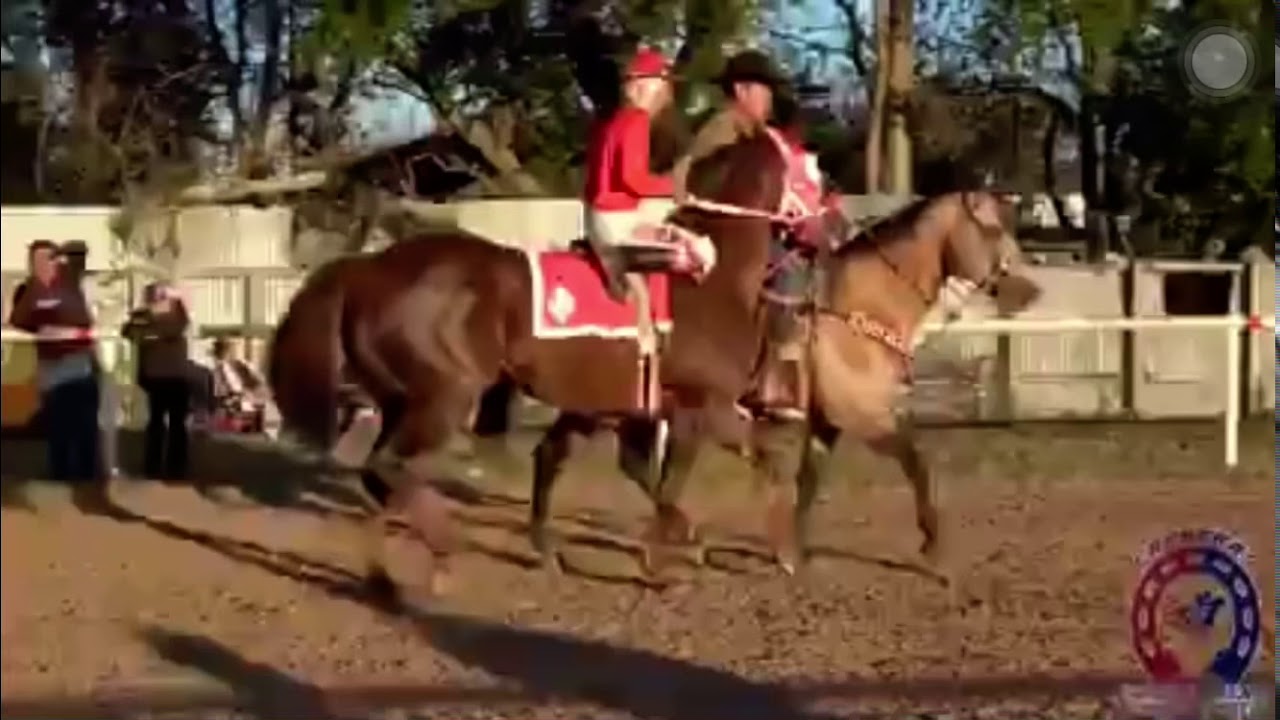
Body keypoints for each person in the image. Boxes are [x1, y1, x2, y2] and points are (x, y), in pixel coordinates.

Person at [581, 46, 676, 353]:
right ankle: (646, 342)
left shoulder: (609, 122)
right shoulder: (637, 121)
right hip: (619, 220)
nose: (663, 93)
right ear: (647, 85)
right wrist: (671, 188)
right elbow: (632, 179)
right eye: (661, 84)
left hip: (597, 219)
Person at [7, 239, 102, 482]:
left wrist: (63, 329)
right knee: (58, 420)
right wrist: (41, 329)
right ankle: (60, 473)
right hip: (50, 363)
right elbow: (18, 319)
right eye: (36, 259)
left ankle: (87, 474)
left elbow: (84, 320)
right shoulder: (30, 289)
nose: (41, 264)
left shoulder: (69, 282)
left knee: (83, 420)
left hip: (77, 359)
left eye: (47, 258)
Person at [671, 49, 785, 204]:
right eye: (765, 92)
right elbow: (687, 176)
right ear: (741, 90)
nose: (769, 101)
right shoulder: (723, 129)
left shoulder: (752, 131)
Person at [123, 281, 191, 480]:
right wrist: (148, 327)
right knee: (155, 423)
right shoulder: (143, 316)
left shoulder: (177, 316)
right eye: (156, 295)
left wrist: (150, 332)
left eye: (163, 296)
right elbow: (129, 332)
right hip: (153, 376)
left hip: (176, 376)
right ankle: (152, 466)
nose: (159, 300)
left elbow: (174, 329)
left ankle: (176, 467)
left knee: (177, 423)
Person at [209, 337, 269, 433]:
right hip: (228, 415)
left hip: (242, 413)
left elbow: (261, 390)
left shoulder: (241, 366)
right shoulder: (214, 370)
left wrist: (247, 396)